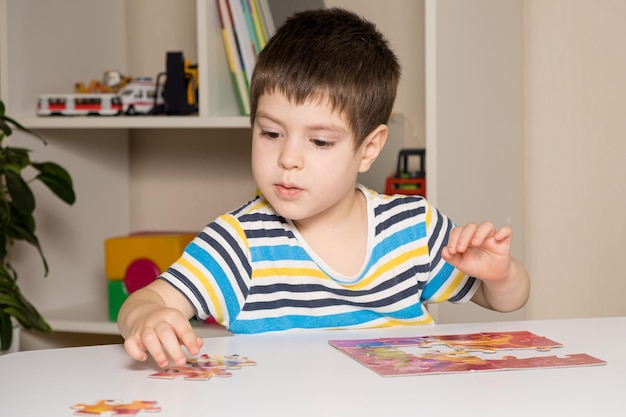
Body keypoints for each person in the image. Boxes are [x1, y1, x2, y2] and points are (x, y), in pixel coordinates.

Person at [118, 8, 530, 368]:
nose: (288, 159)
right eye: (271, 133)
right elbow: (144, 301)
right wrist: (146, 318)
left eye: (319, 142)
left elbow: (505, 301)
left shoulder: (412, 229)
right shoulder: (238, 244)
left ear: (368, 148)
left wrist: (501, 274)